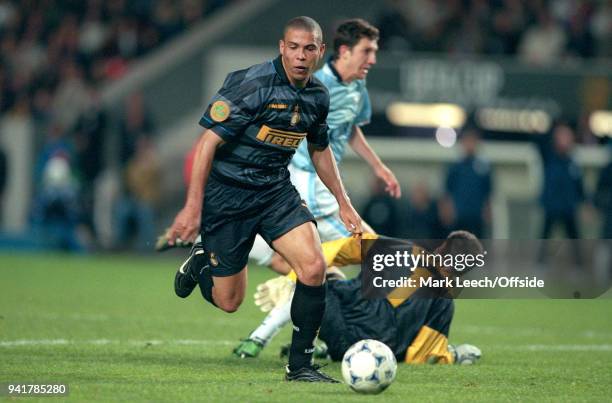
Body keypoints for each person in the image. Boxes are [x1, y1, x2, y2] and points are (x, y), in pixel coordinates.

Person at [164, 16, 362, 383]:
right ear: (281, 48)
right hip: (228, 196)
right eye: (293, 47)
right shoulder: (250, 84)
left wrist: (344, 202)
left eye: (309, 48)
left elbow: (320, 150)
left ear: (320, 52)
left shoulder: (318, 95)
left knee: (314, 268)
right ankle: (200, 263)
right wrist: (193, 206)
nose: (301, 56)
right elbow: (207, 142)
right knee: (229, 302)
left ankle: (300, 366)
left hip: (274, 193)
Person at [232, 18, 401, 356]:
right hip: (306, 183)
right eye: (367, 51)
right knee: (379, 257)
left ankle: (267, 334)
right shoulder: (315, 84)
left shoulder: (357, 88)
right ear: (343, 51)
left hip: (322, 186)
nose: (372, 59)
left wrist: (378, 166)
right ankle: (382, 335)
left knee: (323, 269)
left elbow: (350, 128)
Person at [251, 231, 483, 365]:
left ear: (441, 247)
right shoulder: (444, 302)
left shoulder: (400, 249)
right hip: (377, 351)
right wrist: (452, 354)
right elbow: (420, 354)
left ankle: (261, 338)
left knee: (320, 276)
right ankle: (328, 350)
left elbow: (341, 247)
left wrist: (292, 277)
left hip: (337, 329)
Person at [444, 129, 492, 239]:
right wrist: (447, 212)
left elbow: (488, 193)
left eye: (473, 141)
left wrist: (487, 212)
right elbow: (447, 192)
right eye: (467, 141)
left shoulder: (484, 168)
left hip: (477, 216)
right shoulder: (455, 167)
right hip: (459, 216)